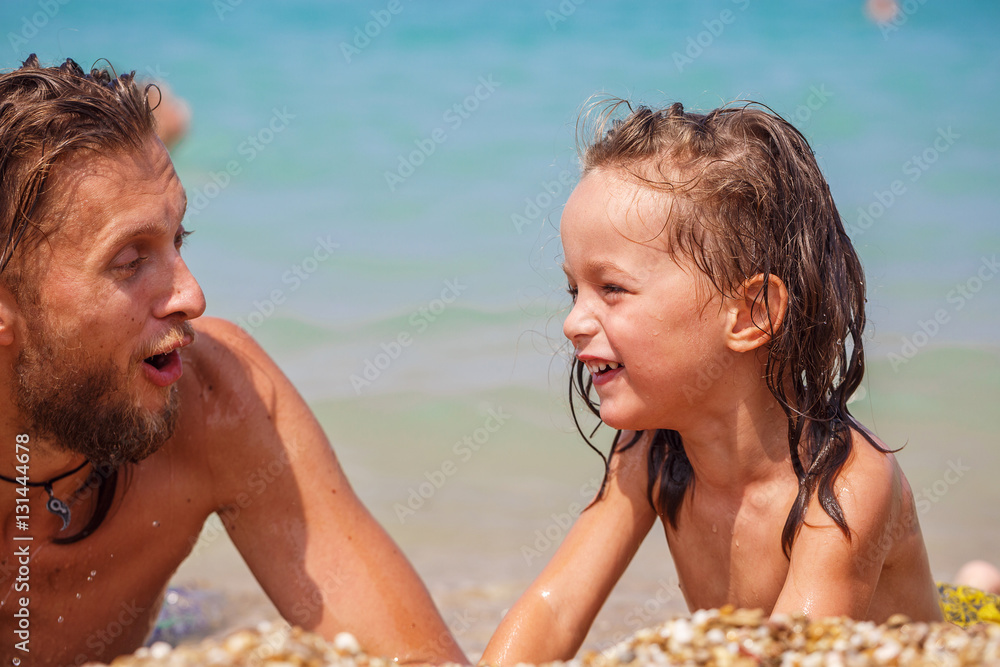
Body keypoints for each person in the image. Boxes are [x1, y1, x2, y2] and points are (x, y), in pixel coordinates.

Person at [481, 100, 1000, 664]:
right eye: (573, 290)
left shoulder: (846, 486)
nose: (573, 322)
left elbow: (788, 656)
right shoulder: (651, 452)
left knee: (973, 620)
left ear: (752, 313)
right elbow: (555, 609)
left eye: (612, 289)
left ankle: (979, 589)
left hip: (926, 648)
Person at [0, 56, 465, 666]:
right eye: (130, 261)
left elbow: (418, 661)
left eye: (177, 239)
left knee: (201, 620)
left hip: (175, 626)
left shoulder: (216, 395)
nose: (193, 297)